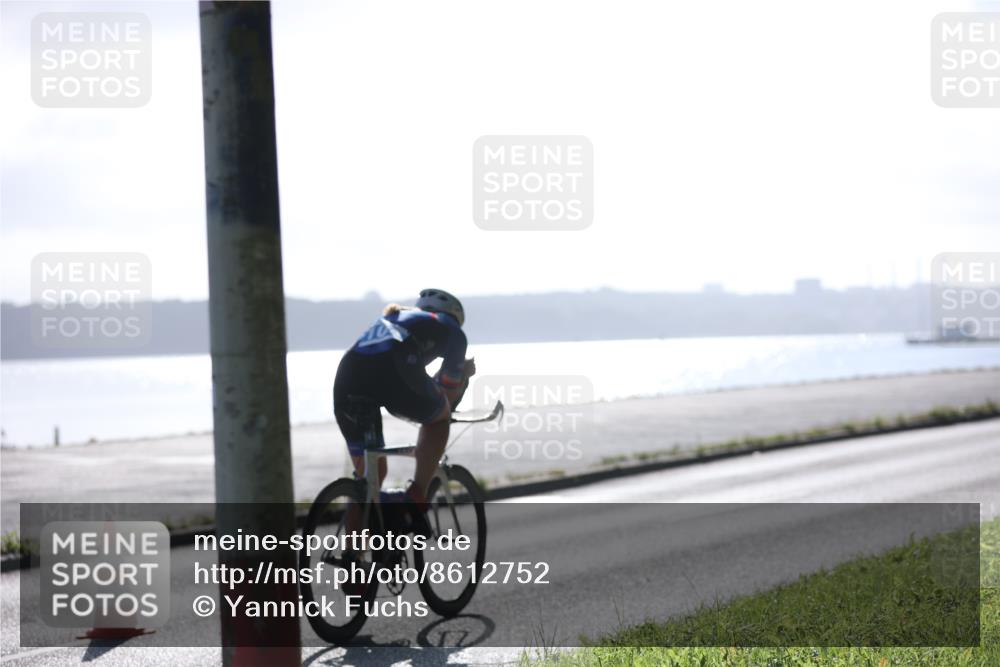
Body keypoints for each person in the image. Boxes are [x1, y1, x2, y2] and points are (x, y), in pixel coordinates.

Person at [333, 288, 475, 523]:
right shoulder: (453, 331)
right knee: (439, 420)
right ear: (455, 317)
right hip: (392, 372)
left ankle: (352, 553)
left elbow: (418, 380)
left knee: (369, 480)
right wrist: (462, 377)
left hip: (348, 376)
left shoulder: (397, 318)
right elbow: (445, 398)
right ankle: (416, 495)